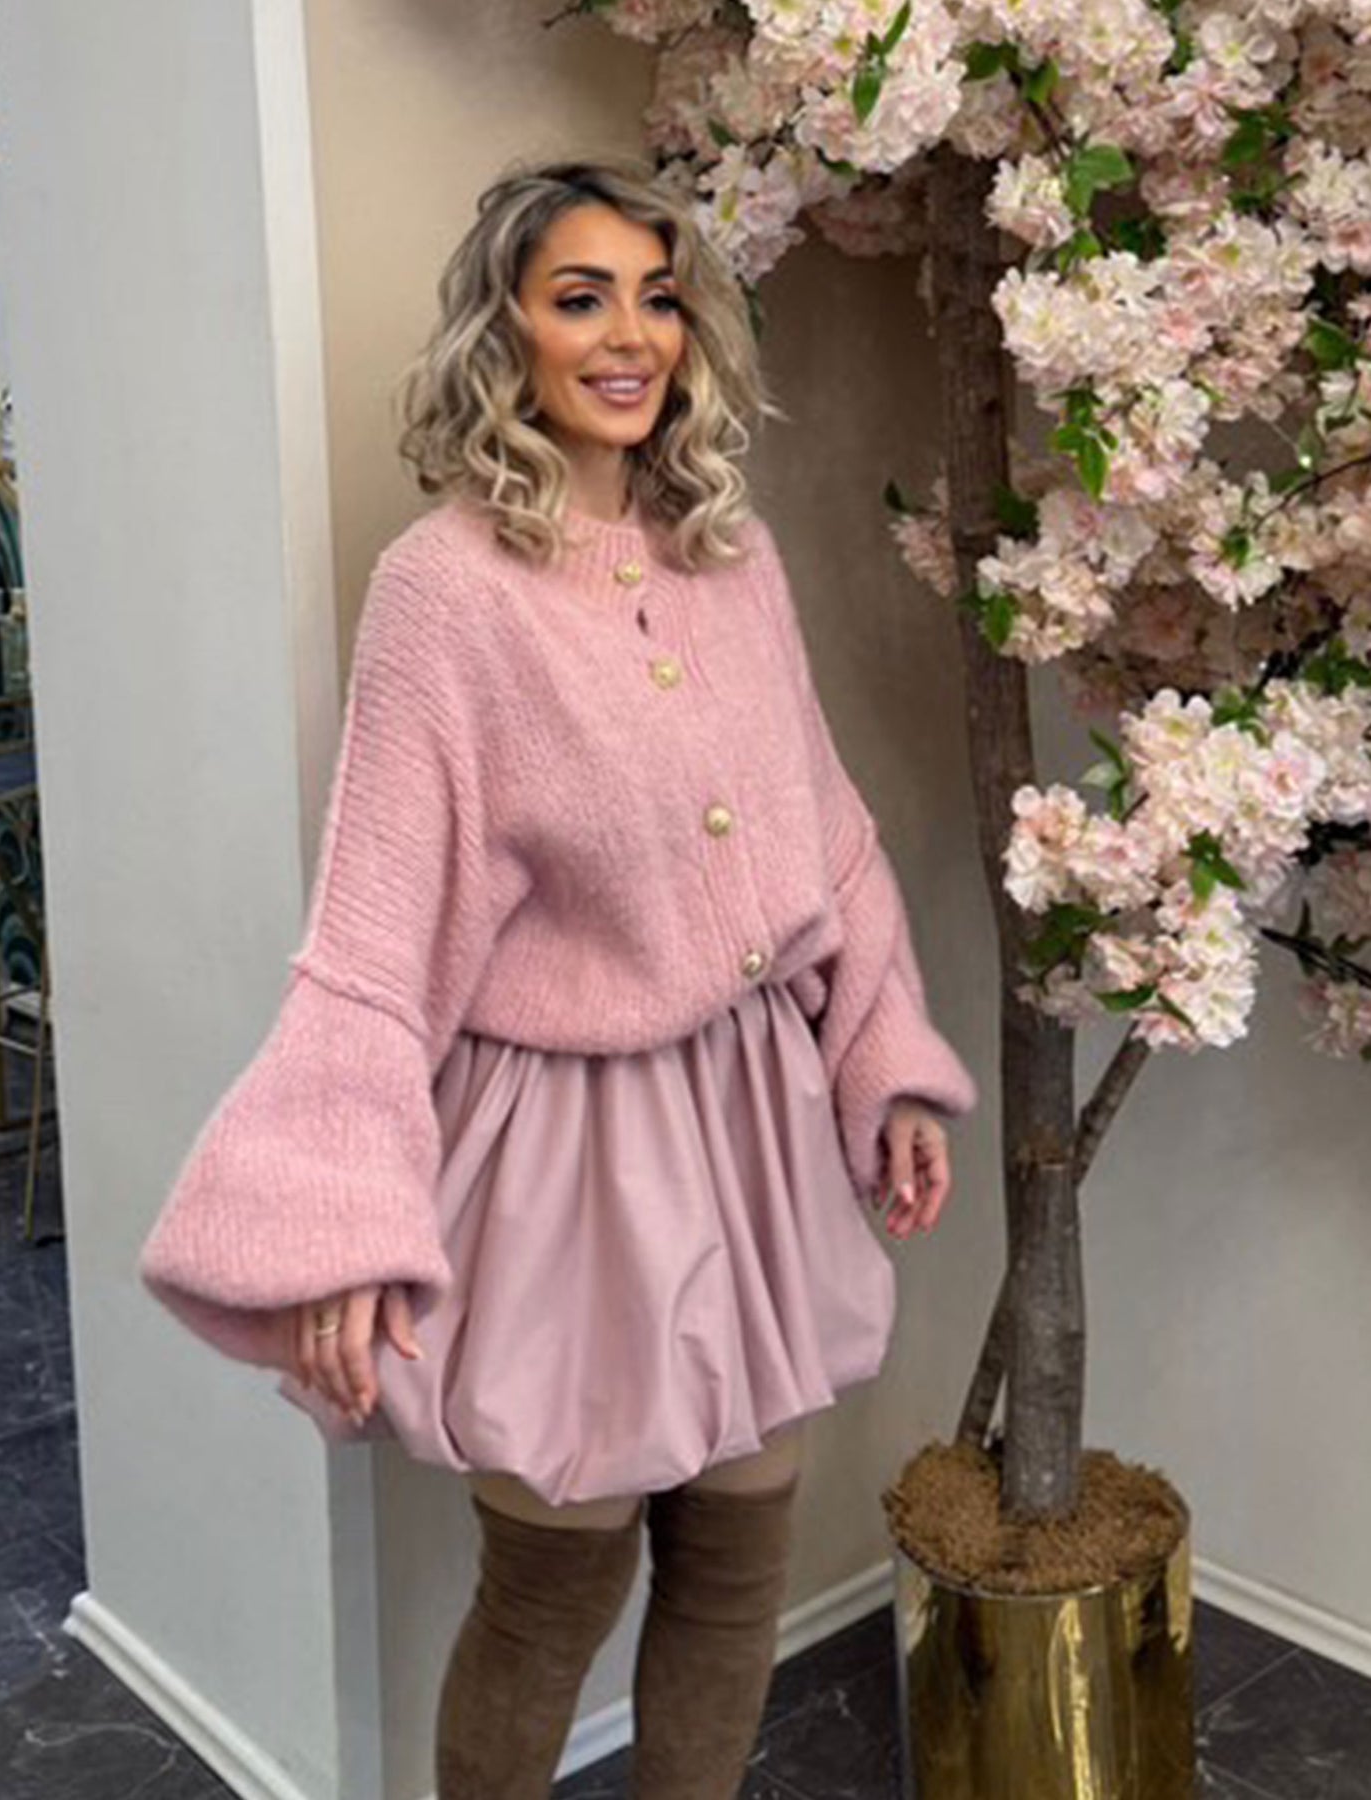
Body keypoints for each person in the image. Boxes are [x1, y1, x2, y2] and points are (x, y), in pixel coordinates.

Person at [139, 156, 977, 1800]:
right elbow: (375, 936)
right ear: (505, 330)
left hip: (753, 1129)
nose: (630, 337)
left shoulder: (730, 557)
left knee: (736, 1564)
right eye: (580, 298)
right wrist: (337, 1225)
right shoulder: (443, 592)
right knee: (550, 1597)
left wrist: (882, 1057)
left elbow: (824, 833)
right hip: (569, 1167)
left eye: (657, 300)